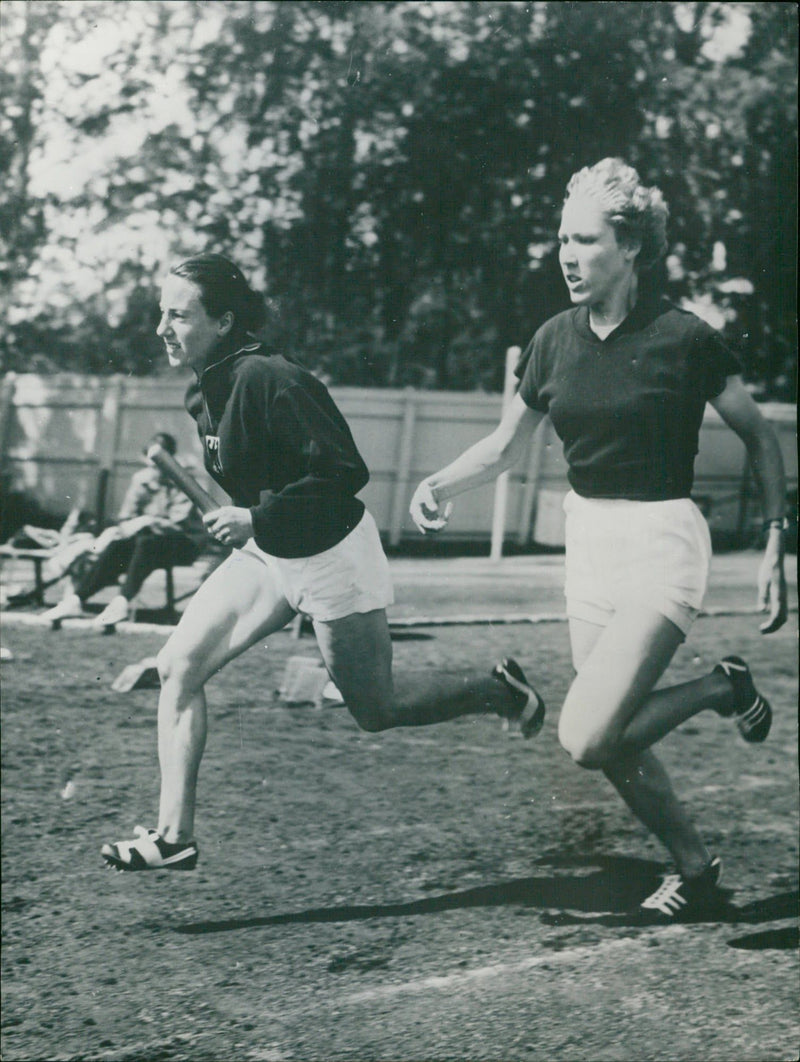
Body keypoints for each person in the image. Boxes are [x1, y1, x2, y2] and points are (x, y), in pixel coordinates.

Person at [410, 158, 788, 922]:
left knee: (585, 735)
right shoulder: (552, 339)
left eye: (585, 240)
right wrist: (438, 484)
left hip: (661, 542)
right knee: (613, 737)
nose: (568, 256)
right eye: (561, 240)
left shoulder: (686, 338)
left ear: (632, 246)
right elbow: (506, 445)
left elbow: (760, 436)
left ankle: (720, 686)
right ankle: (695, 866)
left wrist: (779, 537)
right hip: (588, 542)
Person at [100, 252, 545, 872]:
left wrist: (256, 518)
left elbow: (343, 474)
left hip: (333, 554)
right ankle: (174, 837)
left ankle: (497, 690)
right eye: (162, 314)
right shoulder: (203, 392)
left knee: (376, 710)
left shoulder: (271, 377)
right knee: (178, 667)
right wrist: (254, 524)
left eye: (179, 315)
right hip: (271, 553)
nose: (162, 328)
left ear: (225, 322)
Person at [43, 433, 205, 628]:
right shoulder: (141, 480)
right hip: (146, 543)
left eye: (160, 465)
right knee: (118, 546)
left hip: (184, 543)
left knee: (145, 543)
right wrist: (141, 523)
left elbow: (178, 522)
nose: (155, 471)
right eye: (151, 465)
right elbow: (126, 516)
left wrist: (146, 521)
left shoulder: (182, 479)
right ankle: (76, 600)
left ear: (170, 459)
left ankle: (121, 602)